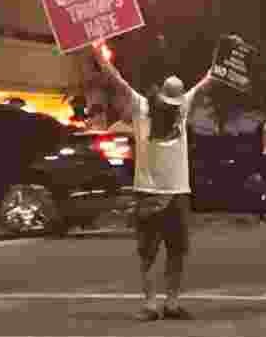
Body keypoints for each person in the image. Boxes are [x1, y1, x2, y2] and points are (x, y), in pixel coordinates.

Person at [91, 40, 214, 322]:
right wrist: (100, 56)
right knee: (147, 252)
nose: (172, 106)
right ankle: (149, 304)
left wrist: (223, 63)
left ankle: (171, 302)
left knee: (177, 251)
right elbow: (116, 79)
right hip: (148, 192)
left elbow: (208, 81)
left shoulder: (182, 108)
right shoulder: (141, 106)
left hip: (178, 192)